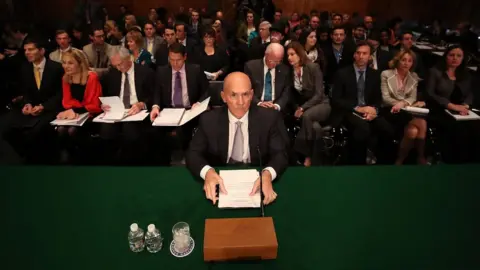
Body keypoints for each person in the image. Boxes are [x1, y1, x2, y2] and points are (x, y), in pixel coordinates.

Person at [186, 72, 288, 205]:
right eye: (233, 95)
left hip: (257, 178)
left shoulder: (269, 118)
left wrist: (268, 174)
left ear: (251, 95)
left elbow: (281, 154)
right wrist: (208, 172)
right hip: (221, 182)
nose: (240, 102)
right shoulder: (209, 120)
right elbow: (193, 154)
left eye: (245, 94)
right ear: (223, 97)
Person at [0, 36, 64, 161]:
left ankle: (38, 160)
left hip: (50, 109)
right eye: (25, 50)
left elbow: (60, 94)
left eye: (30, 49)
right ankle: (26, 157)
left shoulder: (56, 68)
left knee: (36, 132)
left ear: (41, 51)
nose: (27, 53)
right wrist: (27, 104)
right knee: (7, 130)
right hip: (32, 109)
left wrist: (43, 106)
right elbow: (26, 92)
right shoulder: (25, 68)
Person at [331, 41, 393, 165]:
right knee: (362, 129)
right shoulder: (342, 74)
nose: (361, 56)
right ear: (354, 55)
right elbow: (336, 99)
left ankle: (383, 164)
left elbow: (378, 99)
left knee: (387, 129)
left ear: (370, 56)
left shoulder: (375, 75)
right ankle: (358, 164)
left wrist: (374, 110)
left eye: (364, 53)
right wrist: (357, 108)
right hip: (349, 111)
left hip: (369, 111)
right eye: (358, 53)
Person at [150, 43, 209, 155]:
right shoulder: (161, 71)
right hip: (169, 111)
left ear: (185, 57)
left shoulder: (195, 70)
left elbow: (206, 90)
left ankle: (186, 158)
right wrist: (155, 106)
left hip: (189, 110)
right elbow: (157, 92)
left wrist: (199, 103)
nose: (175, 63)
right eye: (172, 60)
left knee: (183, 132)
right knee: (154, 132)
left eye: (178, 60)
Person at [100, 47, 155, 165]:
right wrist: (104, 105)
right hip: (117, 111)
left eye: (120, 64)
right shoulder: (112, 73)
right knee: (106, 131)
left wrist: (142, 104)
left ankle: (131, 166)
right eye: (115, 65)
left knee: (130, 131)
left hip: (137, 111)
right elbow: (106, 94)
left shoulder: (145, 72)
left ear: (128, 58)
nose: (118, 68)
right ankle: (111, 166)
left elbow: (154, 96)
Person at [426, 45, 480, 163]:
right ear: (446, 56)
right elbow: (430, 94)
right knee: (459, 130)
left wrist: (466, 105)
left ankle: (472, 163)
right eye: (451, 55)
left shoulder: (466, 74)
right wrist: (450, 105)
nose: (455, 58)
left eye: (458, 56)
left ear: (463, 58)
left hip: (461, 110)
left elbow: (470, 93)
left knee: (476, 128)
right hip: (439, 109)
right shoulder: (434, 72)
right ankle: (454, 161)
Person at [286, 42, 331, 167]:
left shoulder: (313, 67)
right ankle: (314, 158)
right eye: (287, 55)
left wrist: (302, 108)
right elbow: (291, 95)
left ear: (300, 54)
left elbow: (319, 94)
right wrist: (297, 108)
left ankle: (301, 152)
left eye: (292, 54)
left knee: (306, 116)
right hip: (305, 108)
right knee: (315, 128)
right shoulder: (289, 72)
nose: (289, 57)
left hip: (322, 104)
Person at [380, 50, 427, 165]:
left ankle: (399, 160)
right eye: (403, 60)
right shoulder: (386, 74)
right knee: (422, 122)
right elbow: (385, 98)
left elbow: (412, 97)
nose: (406, 63)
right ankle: (421, 157)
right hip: (390, 109)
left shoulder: (414, 76)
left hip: (405, 109)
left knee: (412, 131)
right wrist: (398, 104)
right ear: (397, 60)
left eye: (410, 61)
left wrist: (402, 103)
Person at [56, 49, 102, 162]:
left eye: (70, 63)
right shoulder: (65, 78)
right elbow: (66, 102)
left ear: (80, 63)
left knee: (72, 131)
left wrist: (75, 109)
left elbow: (95, 105)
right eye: (64, 62)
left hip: (92, 114)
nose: (66, 66)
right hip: (76, 114)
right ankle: (69, 160)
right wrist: (75, 110)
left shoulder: (91, 77)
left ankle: (84, 160)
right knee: (60, 130)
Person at [244, 43, 291, 112]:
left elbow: (286, 92)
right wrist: (259, 103)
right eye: (272, 61)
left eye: (278, 61)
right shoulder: (251, 67)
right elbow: (246, 90)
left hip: (275, 107)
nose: (275, 64)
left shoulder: (284, 70)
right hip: (256, 106)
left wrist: (277, 105)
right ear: (266, 55)